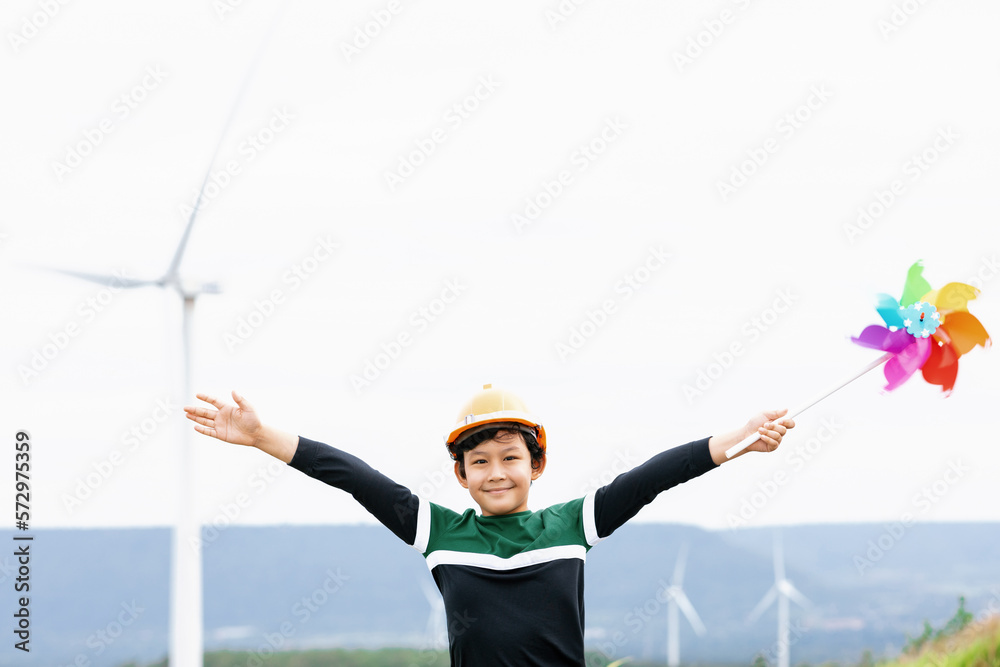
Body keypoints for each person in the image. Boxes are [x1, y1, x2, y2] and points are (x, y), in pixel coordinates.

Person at [184, 384, 794, 666]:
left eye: (510, 458)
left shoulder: (572, 524)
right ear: (461, 475)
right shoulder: (439, 532)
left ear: (537, 465)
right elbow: (350, 473)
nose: (495, 472)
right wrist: (261, 437)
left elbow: (654, 475)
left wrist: (737, 441)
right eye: (479, 462)